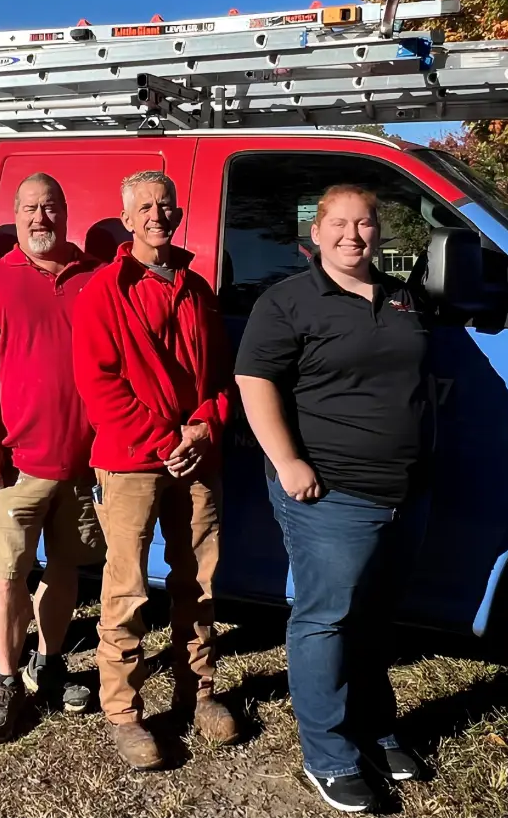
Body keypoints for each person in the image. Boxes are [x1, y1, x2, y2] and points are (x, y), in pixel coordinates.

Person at [233, 184, 435, 812]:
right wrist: (287, 461)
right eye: (339, 224)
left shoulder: (402, 296)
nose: (354, 235)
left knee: (376, 618)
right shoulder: (288, 300)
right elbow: (253, 378)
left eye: (366, 224)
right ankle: (329, 755)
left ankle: (375, 730)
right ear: (314, 233)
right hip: (330, 492)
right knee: (326, 619)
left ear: (380, 232)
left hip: (403, 490)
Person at [71, 170, 240, 769]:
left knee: (200, 583)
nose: (157, 216)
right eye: (145, 207)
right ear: (127, 217)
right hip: (131, 462)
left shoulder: (195, 289)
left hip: (194, 456)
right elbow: (99, 383)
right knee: (127, 588)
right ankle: (124, 712)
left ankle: (200, 693)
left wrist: (202, 428)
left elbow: (221, 378)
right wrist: (163, 438)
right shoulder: (104, 291)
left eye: (165, 206)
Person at [0, 174, 102, 742]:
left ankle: (51, 664)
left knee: (66, 568)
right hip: (16, 462)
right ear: (15, 215)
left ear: (67, 213)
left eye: (52, 208)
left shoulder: (95, 278)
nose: (42, 219)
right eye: (31, 208)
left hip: (84, 463)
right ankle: (8, 681)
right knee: (9, 574)